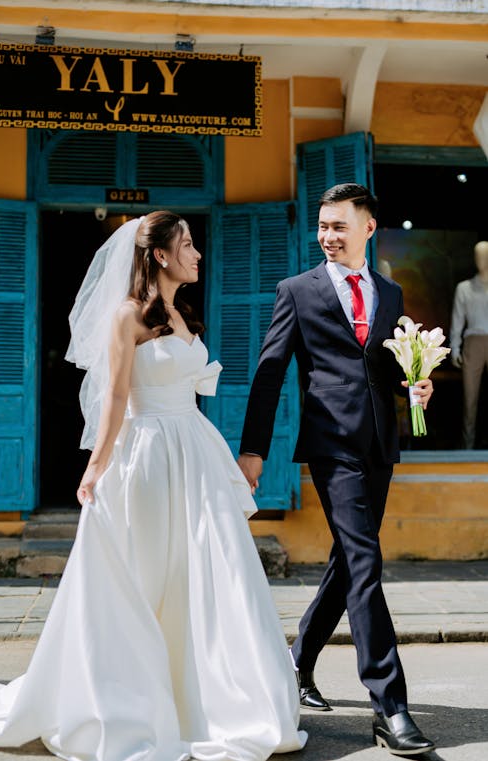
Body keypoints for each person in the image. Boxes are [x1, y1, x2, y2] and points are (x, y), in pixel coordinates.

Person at [0, 212, 307, 761]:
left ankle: (211, 700)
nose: (198, 254)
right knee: (144, 572)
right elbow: (114, 398)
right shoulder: (127, 315)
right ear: (159, 255)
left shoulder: (183, 316)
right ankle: (130, 700)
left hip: (195, 453)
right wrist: (96, 466)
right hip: (148, 455)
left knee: (209, 573)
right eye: (187, 244)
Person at [238, 184, 436, 757]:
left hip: (381, 444)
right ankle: (390, 705)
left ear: (368, 229)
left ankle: (298, 659)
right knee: (366, 561)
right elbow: (271, 371)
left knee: (350, 559)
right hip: (330, 445)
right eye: (322, 226)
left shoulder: (392, 294)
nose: (327, 236)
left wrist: (416, 387)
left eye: (338, 226)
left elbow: (396, 366)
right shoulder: (297, 291)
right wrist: (254, 449)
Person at [450, 240, 488, 449]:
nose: (481, 260)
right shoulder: (464, 288)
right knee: (469, 400)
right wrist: (454, 347)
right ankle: (468, 448)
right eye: (478, 255)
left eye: (485, 255)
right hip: (472, 343)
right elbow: (457, 320)